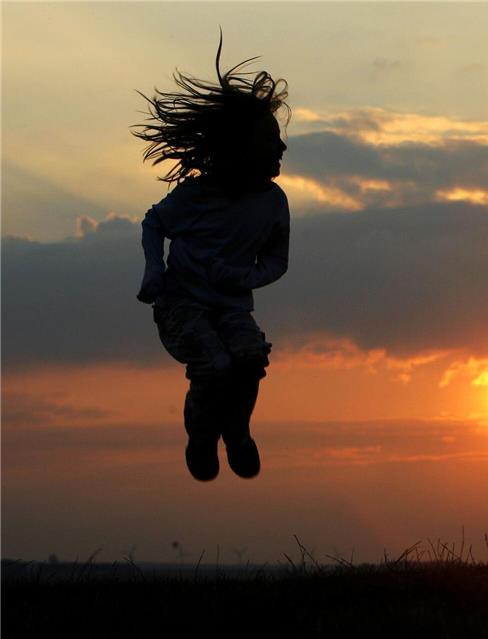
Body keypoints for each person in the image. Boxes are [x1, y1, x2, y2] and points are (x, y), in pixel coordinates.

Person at [132, 34, 290, 481]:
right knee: (215, 365)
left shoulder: (273, 202)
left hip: (233, 306)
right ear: (240, 147)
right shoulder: (197, 196)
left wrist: (243, 275)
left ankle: (237, 433)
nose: (281, 149)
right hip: (182, 306)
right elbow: (153, 223)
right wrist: (154, 271)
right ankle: (201, 438)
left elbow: (278, 261)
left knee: (248, 356)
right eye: (270, 140)